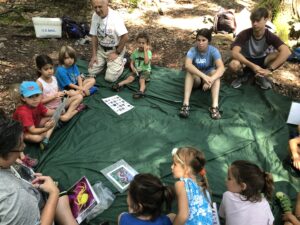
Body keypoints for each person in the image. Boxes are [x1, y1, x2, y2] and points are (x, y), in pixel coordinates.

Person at [0, 111, 78, 225]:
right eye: (20, 145)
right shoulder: (13, 198)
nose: (24, 146)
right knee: (57, 188)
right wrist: (53, 194)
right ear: (5, 153)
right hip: (35, 209)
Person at [229, 7, 291, 89]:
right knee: (233, 64)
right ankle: (241, 76)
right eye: (253, 21)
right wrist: (252, 66)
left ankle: (261, 76)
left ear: (265, 20)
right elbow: (234, 53)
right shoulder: (244, 34)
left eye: (258, 21)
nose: (254, 24)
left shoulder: (269, 35)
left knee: (279, 55)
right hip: (245, 61)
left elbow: (287, 52)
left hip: (262, 60)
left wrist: (269, 70)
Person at [179, 28, 225, 120]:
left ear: (209, 41)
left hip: (207, 79)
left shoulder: (213, 51)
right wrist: (204, 76)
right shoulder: (192, 50)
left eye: (204, 40)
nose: (200, 43)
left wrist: (211, 79)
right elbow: (187, 65)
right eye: (198, 40)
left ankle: (214, 107)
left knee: (215, 73)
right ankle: (185, 104)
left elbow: (221, 68)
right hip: (197, 79)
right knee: (189, 71)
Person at [219, 160, 274, 225]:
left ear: (242, 186)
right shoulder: (265, 203)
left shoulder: (227, 196)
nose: (226, 180)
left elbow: (221, 215)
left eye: (229, 178)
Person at [36, 54, 86, 122]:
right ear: (39, 70)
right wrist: (53, 97)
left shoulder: (53, 78)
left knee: (79, 96)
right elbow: (38, 102)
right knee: (59, 118)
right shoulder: (39, 83)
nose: (50, 71)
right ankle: (75, 111)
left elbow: (58, 91)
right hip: (49, 109)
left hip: (59, 104)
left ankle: (67, 114)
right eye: (46, 69)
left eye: (51, 68)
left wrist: (66, 93)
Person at [88, 0, 129, 82]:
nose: (97, 10)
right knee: (91, 71)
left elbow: (125, 37)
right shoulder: (95, 16)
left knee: (110, 78)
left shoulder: (115, 17)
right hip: (101, 49)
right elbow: (94, 36)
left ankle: (123, 61)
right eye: (95, 7)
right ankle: (106, 63)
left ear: (107, 4)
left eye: (100, 7)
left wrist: (117, 53)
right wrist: (94, 55)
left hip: (115, 49)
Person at [171, 147, 213, 225]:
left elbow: (183, 216)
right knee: (171, 216)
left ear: (186, 168)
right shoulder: (202, 188)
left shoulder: (181, 184)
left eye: (175, 164)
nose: (172, 167)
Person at [12, 81, 55, 148]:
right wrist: (45, 128)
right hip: (24, 131)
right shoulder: (23, 112)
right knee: (37, 138)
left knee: (53, 119)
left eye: (37, 95)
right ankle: (45, 137)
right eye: (30, 96)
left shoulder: (37, 103)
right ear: (23, 98)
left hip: (35, 124)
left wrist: (58, 111)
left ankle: (45, 139)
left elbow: (46, 112)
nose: (35, 99)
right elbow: (32, 130)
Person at [112, 31, 152, 99]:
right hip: (136, 70)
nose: (141, 45)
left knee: (141, 80)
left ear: (147, 44)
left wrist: (145, 51)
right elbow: (131, 62)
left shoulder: (148, 52)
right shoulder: (135, 52)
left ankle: (141, 91)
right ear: (137, 43)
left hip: (145, 70)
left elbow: (146, 62)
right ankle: (119, 84)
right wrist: (132, 67)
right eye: (139, 43)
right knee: (130, 78)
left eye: (143, 43)